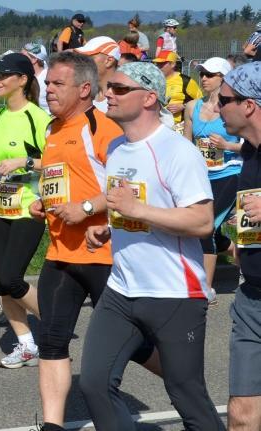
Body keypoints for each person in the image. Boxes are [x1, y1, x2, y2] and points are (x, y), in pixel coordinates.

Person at [80, 60, 224, 431]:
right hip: (122, 290)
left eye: (119, 88)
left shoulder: (178, 152)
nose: (108, 93)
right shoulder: (115, 148)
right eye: (108, 86)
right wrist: (112, 228)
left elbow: (202, 221)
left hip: (174, 293)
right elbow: (134, 212)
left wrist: (137, 210)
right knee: (94, 383)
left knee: (186, 395)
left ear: (149, 99)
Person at [27, 51, 156, 431]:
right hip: (61, 254)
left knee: (136, 345)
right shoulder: (52, 129)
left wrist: (86, 207)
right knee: (51, 341)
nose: (47, 89)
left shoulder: (102, 127)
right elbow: (66, 180)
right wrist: (46, 202)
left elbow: (129, 188)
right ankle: (52, 425)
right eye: (48, 83)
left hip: (105, 255)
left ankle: (184, 379)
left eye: (56, 84)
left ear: (85, 89)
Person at [0, 53, 51, 368]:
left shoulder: (38, 119)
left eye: (4, 75)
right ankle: (27, 345)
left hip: (30, 207)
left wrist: (24, 162)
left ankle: (55, 322)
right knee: (1, 281)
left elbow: (56, 163)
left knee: (12, 278)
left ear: (23, 80)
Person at [216, 61, 261, 431]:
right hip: (251, 296)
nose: (217, 106)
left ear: (249, 105)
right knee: (241, 414)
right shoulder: (249, 151)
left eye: (224, 99)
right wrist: (242, 237)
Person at [183, 57, 240, 302]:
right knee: (209, 231)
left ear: (223, 78)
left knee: (204, 228)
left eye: (210, 74)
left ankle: (205, 289)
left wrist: (227, 145)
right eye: (202, 74)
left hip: (229, 174)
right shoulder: (192, 107)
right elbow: (186, 144)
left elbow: (251, 144)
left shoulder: (235, 108)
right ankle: (245, 258)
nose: (204, 78)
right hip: (201, 177)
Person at [153, 50, 202, 133]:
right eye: (157, 63)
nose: (159, 66)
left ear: (172, 64)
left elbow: (201, 101)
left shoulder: (185, 81)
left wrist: (183, 106)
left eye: (162, 63)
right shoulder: (153, 81)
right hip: (157, 127)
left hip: (179, 128)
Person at [74, 36, 121, 113]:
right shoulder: (84, 93)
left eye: (89, 58)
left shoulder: (120, 99)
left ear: (109, 61)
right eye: (83, 58)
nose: (82, 63)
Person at [21, 42, 49, 112]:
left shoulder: (47, 80)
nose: (19, 59)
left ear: (34, 59)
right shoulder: (25, 77)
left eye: (22, 56)